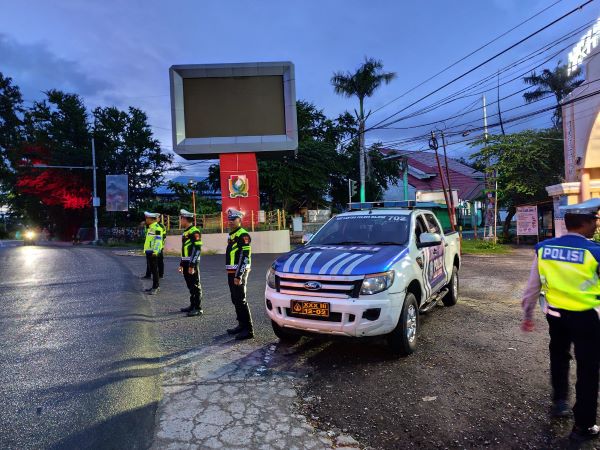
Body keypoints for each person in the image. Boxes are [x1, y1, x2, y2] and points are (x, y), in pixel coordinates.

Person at [521, 198, 600, 442]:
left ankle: (560, 403)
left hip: (556, 317)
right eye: (595, 220)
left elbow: (532, 286)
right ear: (585, 223)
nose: (597, 225)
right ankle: (584, 425)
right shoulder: (595, 252)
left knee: (559, 356)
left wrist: (528, 314)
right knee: (588, 368)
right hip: (588, 319)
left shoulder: (543, 248)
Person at [225, 209, 254, 340]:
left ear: (240, 220)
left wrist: (239, 275)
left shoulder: (243, 235)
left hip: (239, 272)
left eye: (233, 219)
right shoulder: (232, 234)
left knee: (241, 299)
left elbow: (245, 256)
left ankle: (248, 330)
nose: (230, 222)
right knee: (235, 299)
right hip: (231, 271)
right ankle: (241, 325)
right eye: (229, 219)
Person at [178, 209, 203, 317]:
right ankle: (192, 305)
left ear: (185, 219)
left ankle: (198, 308)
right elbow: (185, 250)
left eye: (181, 219)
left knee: (195, 285)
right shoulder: (186, 232)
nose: (180, 221)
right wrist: (181, 264)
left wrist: (192, 265)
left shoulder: (194, 231)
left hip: (192, 263)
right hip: (186, 262)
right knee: (190, 285)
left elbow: (197, 249)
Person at [143, 211, 162, 295]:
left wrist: (155, 251)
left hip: (153, 252)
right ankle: (154, 286)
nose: (146, 220)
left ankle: (156, 287)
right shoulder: (150, 227)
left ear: (152, 219)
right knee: (152, 269)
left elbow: (158, 241)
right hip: (149, 251)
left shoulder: (157, 228)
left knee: (155, 270)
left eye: (147, 218)